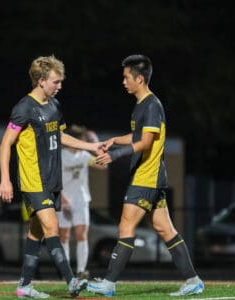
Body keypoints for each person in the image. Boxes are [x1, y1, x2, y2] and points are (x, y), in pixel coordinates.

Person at [87, 54, 204, 297]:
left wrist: (115, 155)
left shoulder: (151, 105)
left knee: (125, 226)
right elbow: (138, 136)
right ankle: (193, 280)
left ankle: (108, 283)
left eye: (126, 77)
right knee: (164, 229)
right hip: (151, 176)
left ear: (139, 79)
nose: (123, 81)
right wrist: (114, 141)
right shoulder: (142, 105)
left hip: (146, 177)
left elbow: (146, 141)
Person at [0, 55, 102, 299]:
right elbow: (5, 143)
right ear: (41, 80)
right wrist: (5, 178)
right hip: (34, 179)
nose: (60, 85)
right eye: (56, 81)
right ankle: (71, 281)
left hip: (52, 180)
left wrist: (90, 147)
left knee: (37, 232)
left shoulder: (54, 106)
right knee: (53, 227)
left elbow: (61, 136)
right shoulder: (24, 108)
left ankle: (24, 286)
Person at [57, 125, 106, 279]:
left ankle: (81, 271)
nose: (84, 142)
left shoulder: (84, 155)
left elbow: (104, 165)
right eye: (82, 140)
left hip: (81, 199)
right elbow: (53, 178)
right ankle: (65, 271)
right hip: (63, 198)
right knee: (64, 236)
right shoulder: (61, 155)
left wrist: (96, 146)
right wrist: (62, 197)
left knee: (81, 234)